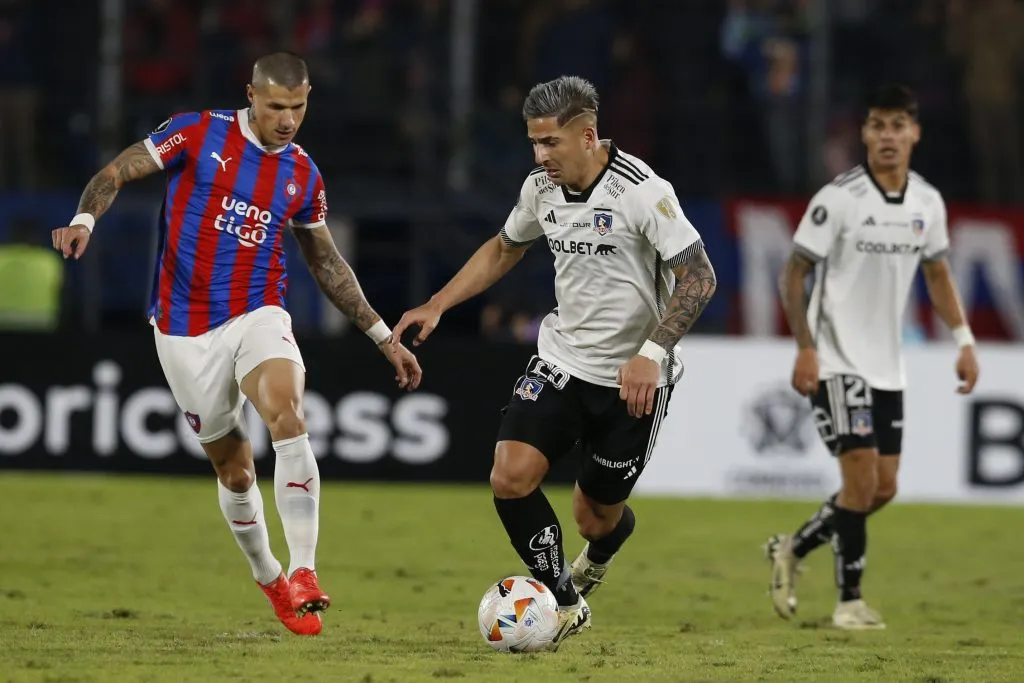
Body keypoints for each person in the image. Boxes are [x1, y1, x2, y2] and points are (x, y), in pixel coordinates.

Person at [50, 52, 422, 636]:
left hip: (257, 312)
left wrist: (381, 336)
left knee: (288, 415)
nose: (287, 119)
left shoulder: (303, 173)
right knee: (236, 473)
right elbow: (115, 173)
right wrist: (84, 221)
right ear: (251, 94)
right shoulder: (196, 133)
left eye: (298, 108)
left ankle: (304, 570)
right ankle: (271, 577)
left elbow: (325, 263)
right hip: (180, 327)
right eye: (276, 106)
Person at [392, 75, 717, 650]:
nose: (540, 157)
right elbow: (504, 247)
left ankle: (599, 556)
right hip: (562, 361)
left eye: (550, 144)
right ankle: (564, 601)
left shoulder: (643, 192)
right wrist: (438, 303)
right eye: (534, 144)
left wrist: (651, 353)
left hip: (633, 380)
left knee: (595, 516)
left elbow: (700, 276)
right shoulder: (540, 189)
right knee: (510, 478)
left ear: (588, 135)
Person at [765, 84, 980, 630]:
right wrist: (806, 350)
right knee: (860, 482)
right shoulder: (838, 199)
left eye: (897, 125)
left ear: (915, 132)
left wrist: (964, 342)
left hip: (889, 365)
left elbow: (937, 274)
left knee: (884, 488)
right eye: (877, 125)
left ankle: (793, 547)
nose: (888, 136)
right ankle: (849, 602)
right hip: (836, 361)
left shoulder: (927, 203)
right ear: (863, 134)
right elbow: (794, 272)